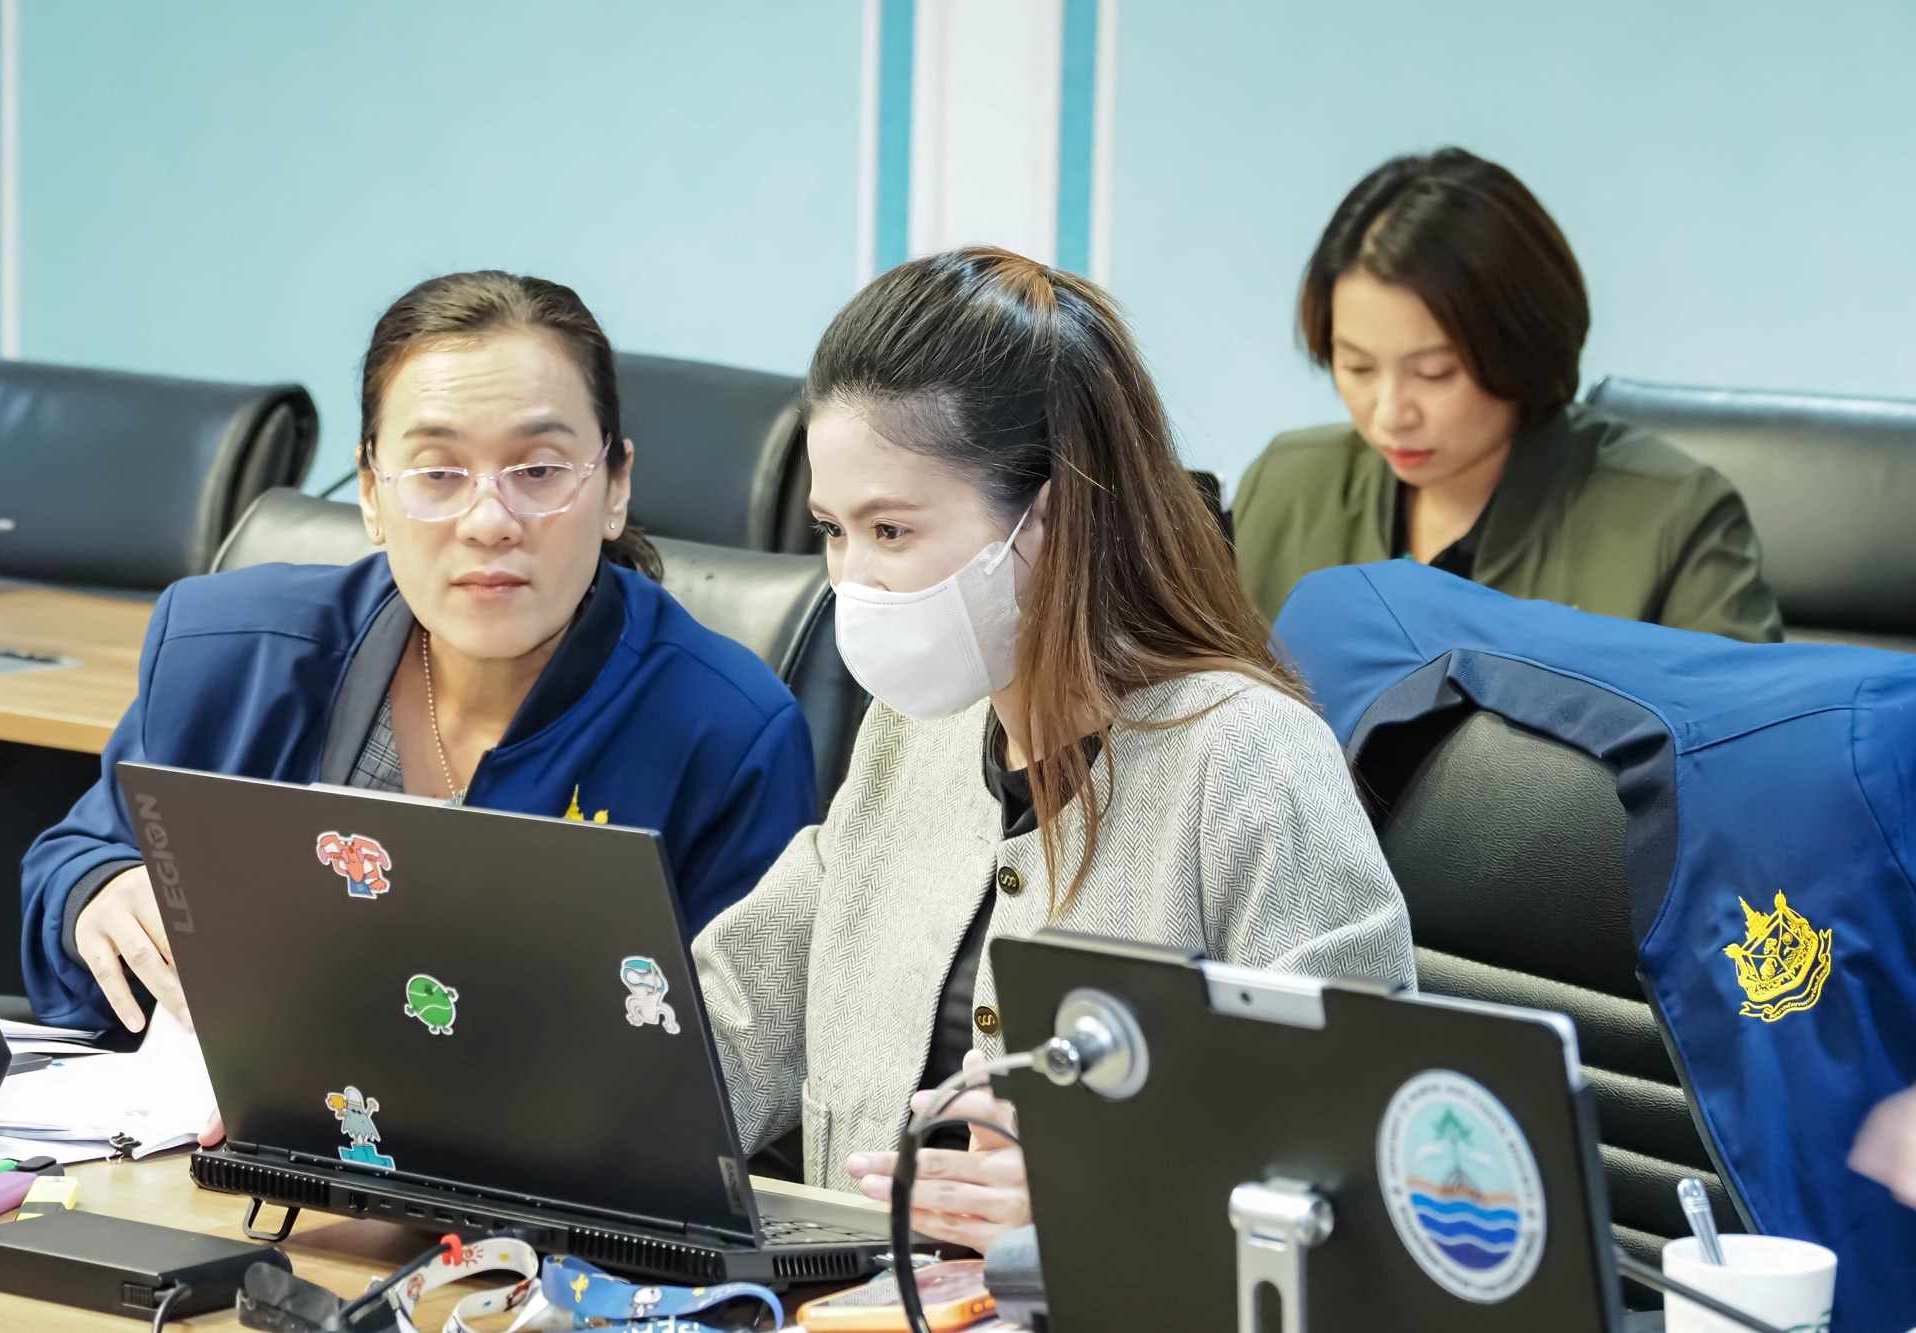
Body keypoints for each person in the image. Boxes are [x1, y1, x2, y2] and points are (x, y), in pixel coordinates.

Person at [693, 248, 1415, 1251]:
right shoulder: (910, 729)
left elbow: (1363, 1153)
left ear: (1052, 517)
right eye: (832, 530)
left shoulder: (1249, 760)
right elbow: (728, 1021)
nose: (850, 582)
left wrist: (1101, 1202)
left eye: (890, 531)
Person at [22, 270, 818, 1036]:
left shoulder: (728, 735)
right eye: (438, 472)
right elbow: (82, 851)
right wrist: (98, 890)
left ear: (616, 486)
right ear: (372, 493)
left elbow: (744, 1064)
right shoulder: (225, 652)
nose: (489, 520)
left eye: (540, 470)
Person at [1231, 148, 1781, 642]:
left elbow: (1746, 723)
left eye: (1435, 373)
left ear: (1521, 347)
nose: (1390, 415)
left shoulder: (1673, 517)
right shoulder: (1287, 490)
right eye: (1358, 367)